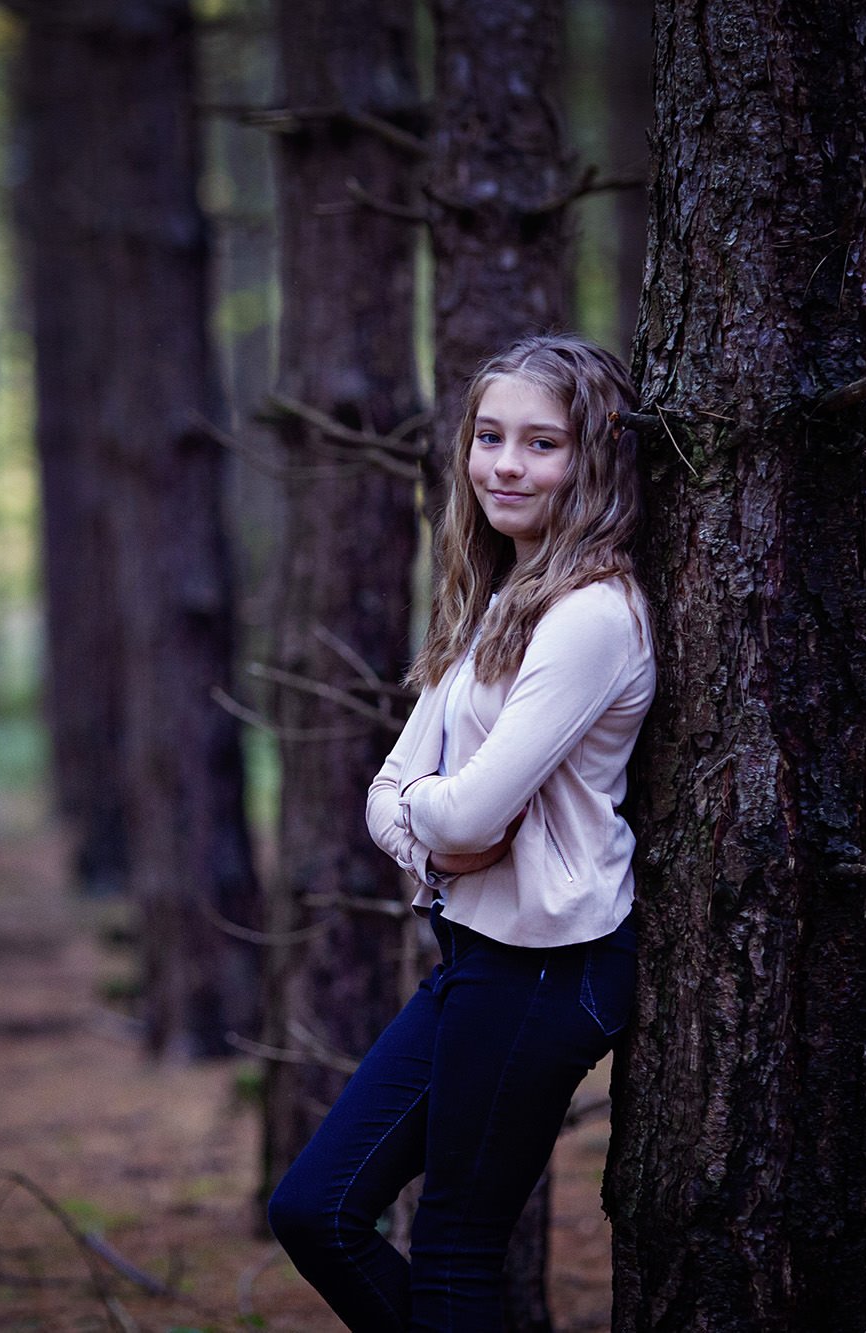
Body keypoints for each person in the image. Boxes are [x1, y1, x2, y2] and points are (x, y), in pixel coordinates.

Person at [266, 333, 655, 1330]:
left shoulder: (588, 616)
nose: (505, 465)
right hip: (476, 954)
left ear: (593, 457)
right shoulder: (502, 601)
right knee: (316, 1209)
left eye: (541, 443)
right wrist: (434, 828)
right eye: (489, 437)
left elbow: (461, 810)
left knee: (449, 1255)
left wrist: (435, 818)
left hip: (547, 967)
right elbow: (390, 789)